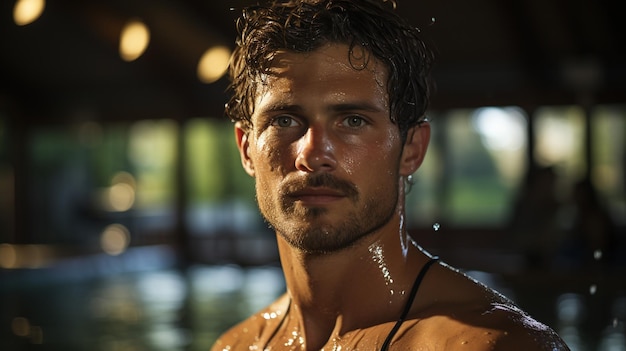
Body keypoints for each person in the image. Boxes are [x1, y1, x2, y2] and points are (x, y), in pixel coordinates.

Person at [212, 0, 571, 350]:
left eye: (353, 121)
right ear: (246, 149)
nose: (313, 153)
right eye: (284, 121)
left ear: (411, 149)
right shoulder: (236, 345)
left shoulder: (494, 344)